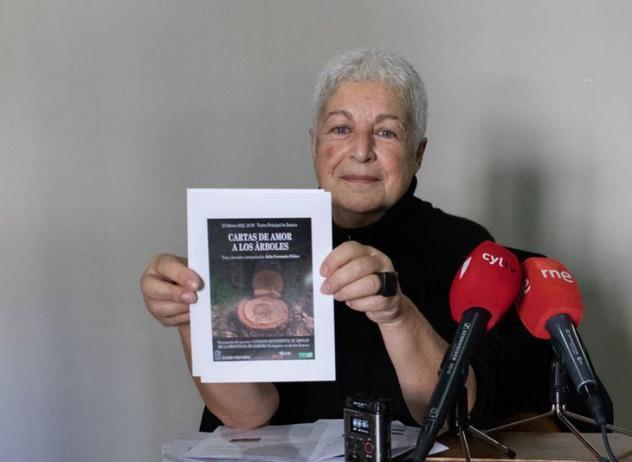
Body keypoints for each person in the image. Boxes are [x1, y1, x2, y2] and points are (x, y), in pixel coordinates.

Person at [141, 48, 539, 430]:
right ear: (314, 145)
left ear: (418, 153)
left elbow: (452, 414)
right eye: (342, 128)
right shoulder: (264, 238)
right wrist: (189, 313)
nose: (362, 150)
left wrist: (396, 313)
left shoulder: (465, 249)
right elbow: (248, 415)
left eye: (386, 132)